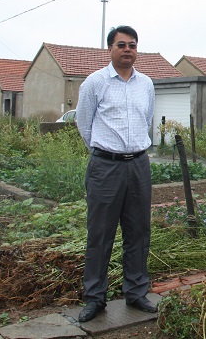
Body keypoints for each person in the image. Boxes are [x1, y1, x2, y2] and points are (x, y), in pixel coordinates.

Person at [76, 25, 157, 323]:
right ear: (110, 48)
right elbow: (84, 124)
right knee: (100, 234)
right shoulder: (95, 82)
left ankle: (136, 292)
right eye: (121, 45)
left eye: (132, 45)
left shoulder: (146, 84)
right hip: (106, 167)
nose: (127, 50)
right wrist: (106, 152)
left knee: (138, 232)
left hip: (138, 165)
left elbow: (146, 118)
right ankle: (95, 298)